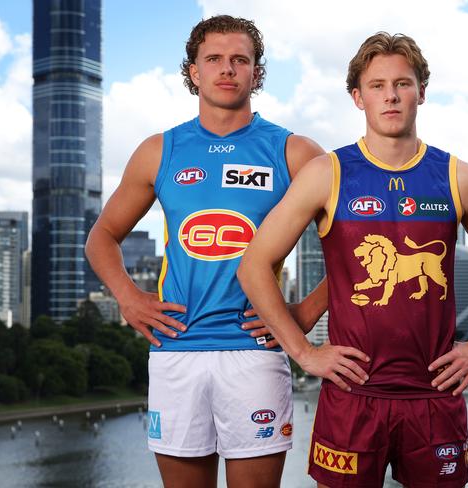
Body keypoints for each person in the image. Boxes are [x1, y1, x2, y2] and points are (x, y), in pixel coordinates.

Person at [85, 15, 367, 488]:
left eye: (240, 60)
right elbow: (102, 237)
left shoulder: (294, 152)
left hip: (254, 351)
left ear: (257, 73)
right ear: (193, 71)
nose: (227, 69)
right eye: (213, 59)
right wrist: (129, 299)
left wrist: (302, 314)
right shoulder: (160, 151)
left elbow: (355, 244)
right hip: (176, 349)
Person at [238, 32, 468, 487]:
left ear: (421, 92)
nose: (391, 95)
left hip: (434, 394)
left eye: (403, 84)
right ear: (358, 96)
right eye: (377, 85)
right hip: (352, 396)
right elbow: (253, 265)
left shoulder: (459, 177)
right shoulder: (325, 173)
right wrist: (304, 352)